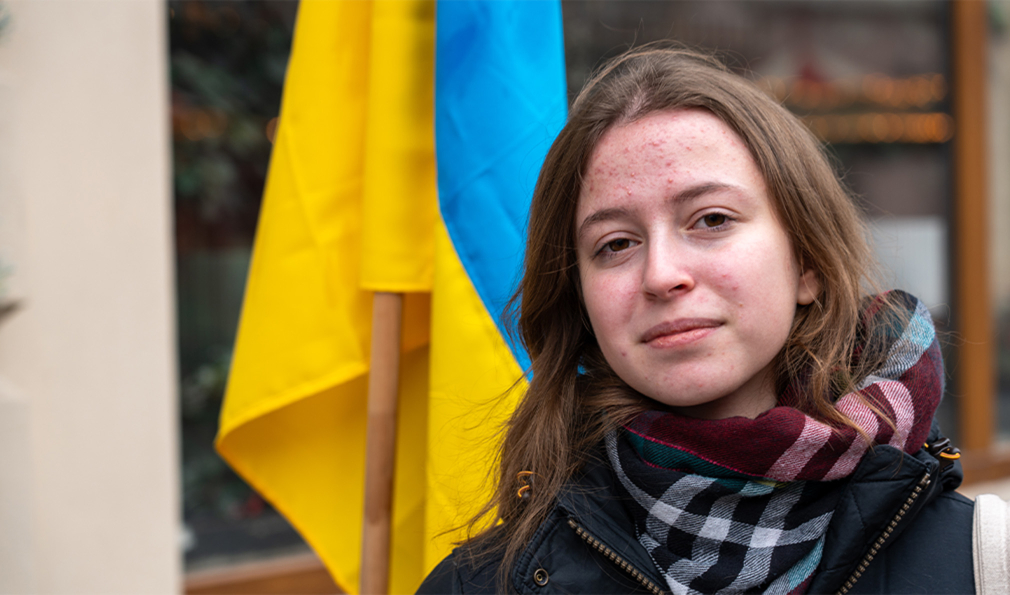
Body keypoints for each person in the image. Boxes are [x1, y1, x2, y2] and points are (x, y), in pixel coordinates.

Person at [417, 45, 974, 594]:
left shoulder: (979, 564)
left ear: (807, 261)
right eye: (614, 244)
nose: (661, 275)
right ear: (580, 299)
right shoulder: (476, 586)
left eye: (711, 219)